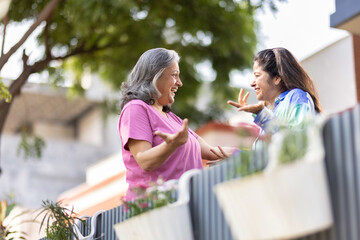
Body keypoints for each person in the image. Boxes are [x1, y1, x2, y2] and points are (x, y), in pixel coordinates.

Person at [119, 48, 236, 200]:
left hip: (187, 202)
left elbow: (213, 151)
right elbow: (145, 161)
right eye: (174, 75)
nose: (179, 83)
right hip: (154, 207)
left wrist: (250, 153)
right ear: (154, 76)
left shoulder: (173, 119)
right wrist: (171, 145)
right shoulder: (135, 108)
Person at [228, 47, 322, 135]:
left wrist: (262, 114)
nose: (252, 83)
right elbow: (266, 151)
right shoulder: (270, 112)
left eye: (257, 75)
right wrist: (228, 152)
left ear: (277, 78)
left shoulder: (296, 97)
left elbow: (297, 140)